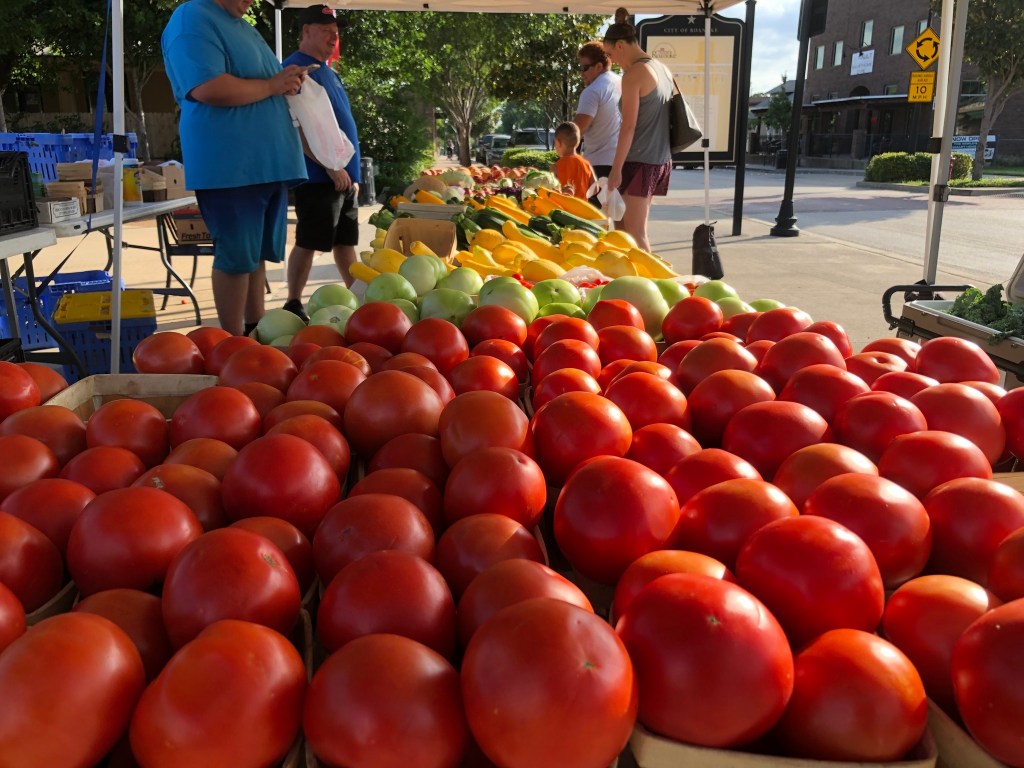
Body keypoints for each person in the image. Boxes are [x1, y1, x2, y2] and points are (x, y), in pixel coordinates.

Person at [162, 0, 307, 337]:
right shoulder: (192, 17)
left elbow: (266, 83)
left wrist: (286, 82)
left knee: (254, 255)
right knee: (236, 257)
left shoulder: (243, 25)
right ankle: (232, 342)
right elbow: (208, 87)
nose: (254, 1)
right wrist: (273, 85)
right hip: (232, 165)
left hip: (266, 164)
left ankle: (255, 330)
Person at [282, 5, 363, 319]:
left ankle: (357, 298)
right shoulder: (296, 68)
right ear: (306, 31)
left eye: (336, 30)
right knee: (310, 240)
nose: (334, 36)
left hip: (343, 176)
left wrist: (348, 171)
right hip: (319, 177)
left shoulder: (325, 69)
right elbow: (296, 126)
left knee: (345, 242)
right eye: (325, 29)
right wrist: (329, 166)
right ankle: (292, 302)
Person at [603, 7, 673, 252]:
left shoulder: (634, 73)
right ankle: (627, 284)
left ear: (620, 45)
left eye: (611, 54)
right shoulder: (662, 68)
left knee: (635, 233)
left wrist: (616, 169)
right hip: (658, 159)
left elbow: (629, 126)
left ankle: (656, 287)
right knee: (621, 231)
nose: (614, 62)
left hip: (640, 160)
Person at [572, 42, 622, 191]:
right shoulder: (621, 82)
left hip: (598, 165)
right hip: (622, 163)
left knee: (595, 213)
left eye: (584, 68)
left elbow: (576, 132)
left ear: (599, 66)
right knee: (615, 213)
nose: (582, 73)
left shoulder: (592, 91)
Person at [553, 122, 597, 200]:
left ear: (558, 143)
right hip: (582, 208)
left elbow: (551, 190)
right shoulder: (586, 164)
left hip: (563, 209)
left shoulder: (556, 166)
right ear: (578, 143)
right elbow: (595, 188)